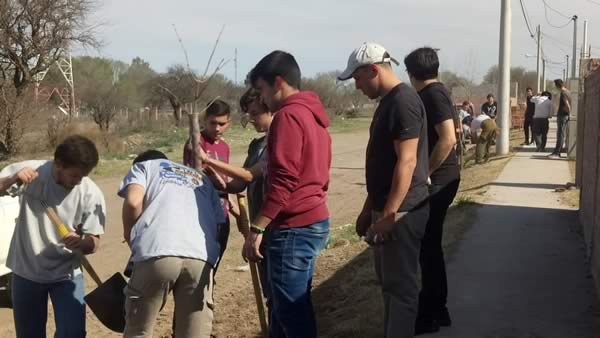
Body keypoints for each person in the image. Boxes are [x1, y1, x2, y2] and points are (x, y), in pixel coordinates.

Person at [338, 42, 430, 338]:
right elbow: (385, 166)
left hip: (403, 210)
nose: (356, 86)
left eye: (357, 78)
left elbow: (407, 161)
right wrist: (369, 209)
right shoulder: (388, 103)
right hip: (388, 208)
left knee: (400, 289)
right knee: (389, 284)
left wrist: (389, 214)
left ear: (373, 70)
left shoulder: (403, 102)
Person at [245, 50, 332, 338]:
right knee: (291, 308)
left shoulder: (288, 117)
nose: (262, 100)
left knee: (291, 313)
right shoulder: (313, 115)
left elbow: (283, 181)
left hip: (293, 227)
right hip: (313, 220)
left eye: (261, 90)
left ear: (278, 82)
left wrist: (257, 227)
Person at [0, 135, 106, 338]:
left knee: (73, 334)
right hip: (26, 272)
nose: (78, 181)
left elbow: (94, 243)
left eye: (83, 176)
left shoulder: (90, 193)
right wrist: (13, 179)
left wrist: (82, 242)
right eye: (74, 175)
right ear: (58, 164)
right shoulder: (31, 172)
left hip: (66, 275)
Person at [119, 150, 225, 338]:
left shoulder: (143, 167)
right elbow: (219, 222)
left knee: (139, 331)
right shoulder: (200, 177)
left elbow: (134, 202)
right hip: (200, 258)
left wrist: (130, 236)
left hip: (157, 252)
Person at [404, 47, 460, 335]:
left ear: (410, 72)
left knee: (428, 249)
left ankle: (431, 312)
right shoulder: (436, 92)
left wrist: (425, 173)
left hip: (439, 180)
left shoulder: (433, 94)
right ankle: (438, 310)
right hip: (442, 179)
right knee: (430, 248)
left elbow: (448, 138)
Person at [183, 99, 233, 265]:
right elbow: (194, 175)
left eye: (222, 123)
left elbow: (225, 178)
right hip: (203, 213)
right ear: (205, 120)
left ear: (228, 122)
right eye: (213, 123)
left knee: (217, 260)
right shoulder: (196, 143)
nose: (217, 128)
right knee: (203, 262)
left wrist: (230, 201)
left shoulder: (225, 147)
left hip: (222, 212)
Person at [549, 79, 571, 158]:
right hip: (564, 115)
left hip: (562, 115)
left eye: (555, 85)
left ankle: (557, 153)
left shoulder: (563, 93)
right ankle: (557, 151)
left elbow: (567, 104)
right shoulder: (568, 92)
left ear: (557, 86)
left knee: (560, 134)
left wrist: (569, 113)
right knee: (561, 134)